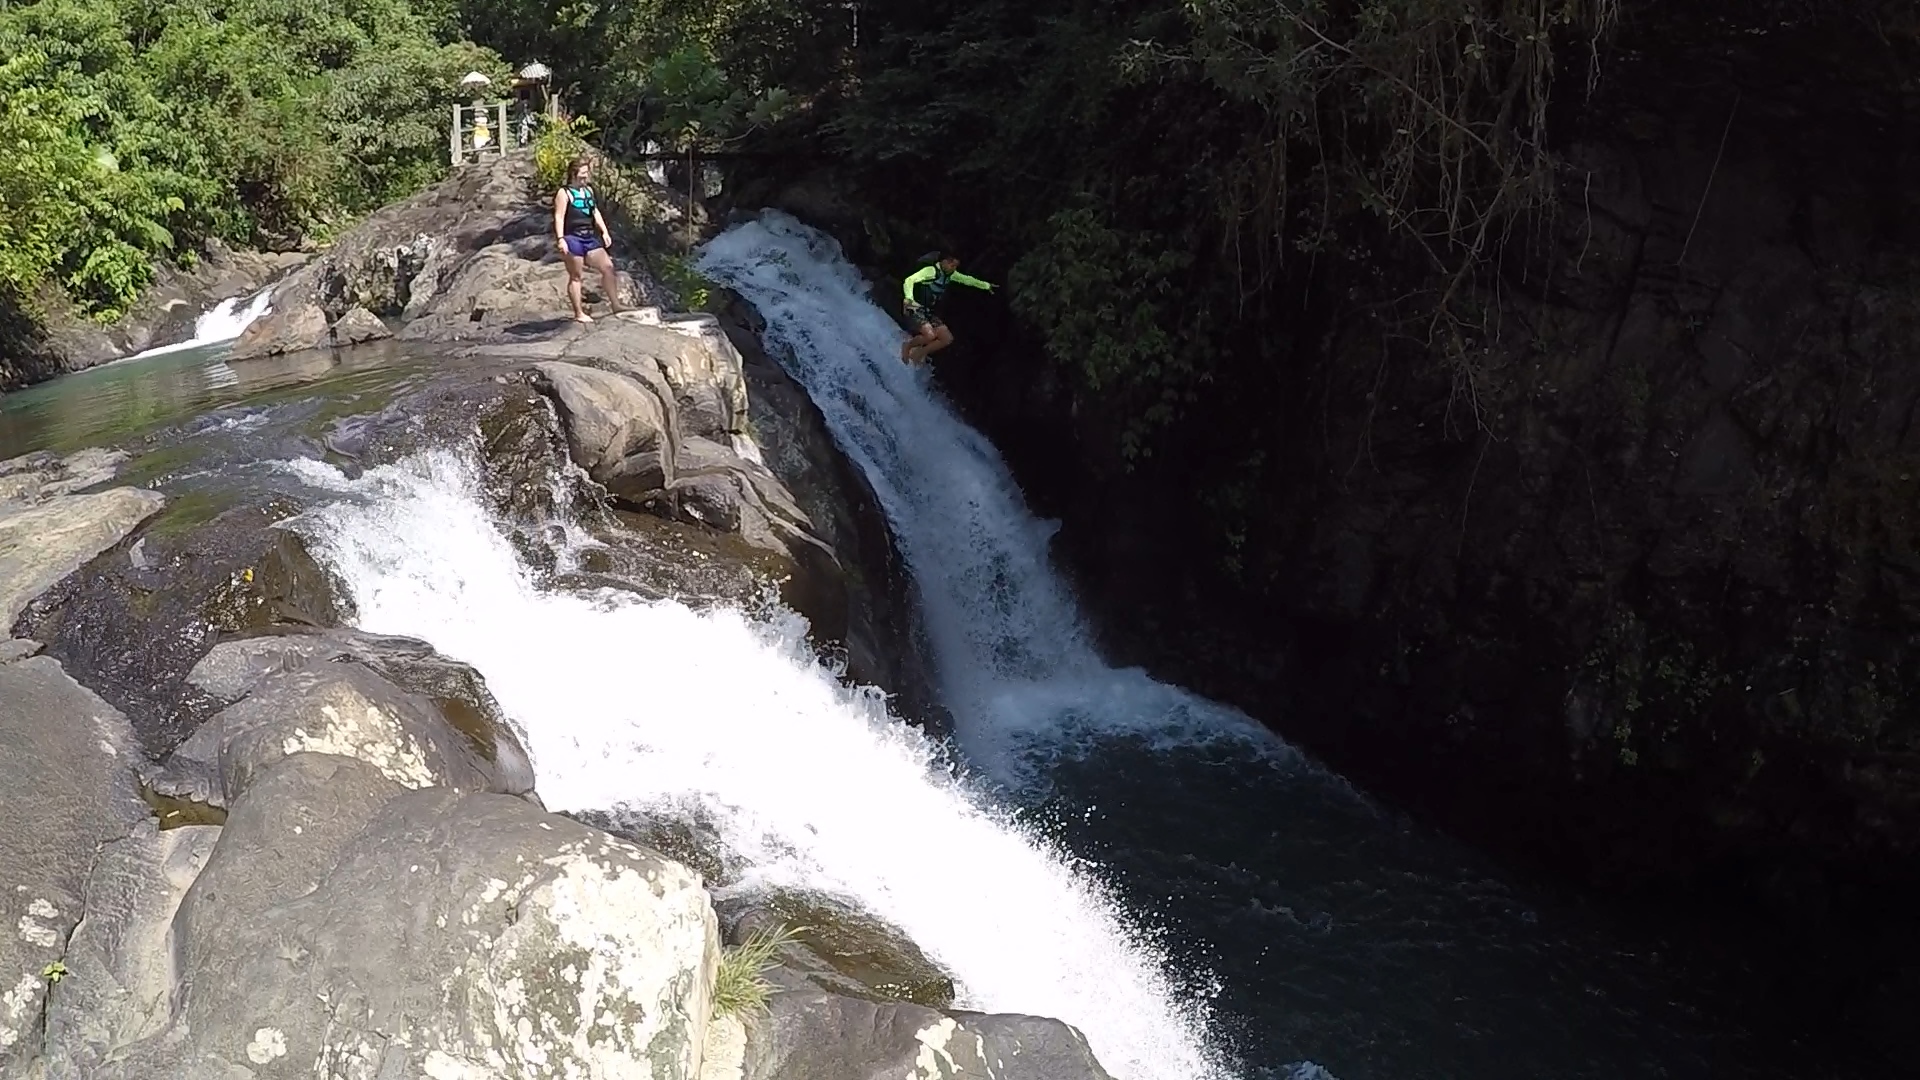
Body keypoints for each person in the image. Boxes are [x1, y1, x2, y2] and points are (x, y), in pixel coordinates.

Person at [553, 156, 624, 323]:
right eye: (583, 173)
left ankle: (616, 305)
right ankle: (579, 313)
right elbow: (559, 217)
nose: (586, 176)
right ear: (574, 173)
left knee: (607, 267)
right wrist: (561, 239)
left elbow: (594, 212)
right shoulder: (564, 193)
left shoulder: (588, 191)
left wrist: (604, 231)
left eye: (587, 173)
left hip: (589, 236)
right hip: (572, 238)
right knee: (576, 275)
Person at [899, 251, 995, 364]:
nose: (953, 269)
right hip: (915, 307)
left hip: (928, 311)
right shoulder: (931, 271)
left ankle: (920, 352)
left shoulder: (951, 275)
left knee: (947, 338)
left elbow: (968, 280)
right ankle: (907, 346)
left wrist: (986, 285)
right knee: (930, 335)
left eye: (955, 266)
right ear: (943, 261)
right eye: (951, 265)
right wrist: (908, 298)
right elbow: (909, 280)